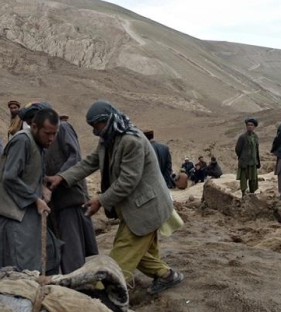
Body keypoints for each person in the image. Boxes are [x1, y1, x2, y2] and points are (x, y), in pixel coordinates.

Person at [46, 101, 183, 295]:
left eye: (96, 126)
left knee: (121, 256)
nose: (94, 131)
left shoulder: (131, 141)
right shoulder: (108, 138)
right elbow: (90, 162)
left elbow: (128, 181)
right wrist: (63, 177)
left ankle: (104, 294)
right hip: (133, 209)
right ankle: (167, 276)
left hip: (145, 208)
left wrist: (100, 200)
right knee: (139, 253)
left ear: (107, 120)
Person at [0, 107, 62, 273]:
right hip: (10, 211)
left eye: (54, 134)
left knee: (45, 252)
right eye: (47, 133)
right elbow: (10, 177)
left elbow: (31, 172)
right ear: (34, 127)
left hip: (23, 207)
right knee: (18, 263)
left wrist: (42, 186)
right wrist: (36, 199)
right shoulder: (22, 141)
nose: (51, 139)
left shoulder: (39, 143)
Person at [39, 103, 99, 273]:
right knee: (60, 245)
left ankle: (79, 282)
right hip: (53, 202)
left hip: (70, 197)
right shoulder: (37, 139)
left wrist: (60, 177)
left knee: (74, 247)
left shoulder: (63, 128)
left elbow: (75, 157)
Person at [235, 117, 261, 197]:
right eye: (248, 125)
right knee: (243, 179)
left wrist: (257, 160)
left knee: (253, 179)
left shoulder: (255, 137)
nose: (249, 126)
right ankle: (243, 194)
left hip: (253, 162)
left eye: (251, 125)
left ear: (254, 127)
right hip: (244, 162)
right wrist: (242, 157)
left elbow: (256, 150)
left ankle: (252, 194)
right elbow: (237, 149)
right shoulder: (242, 137)